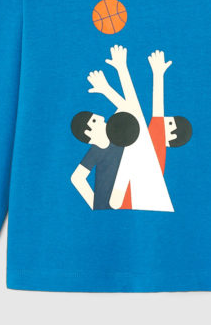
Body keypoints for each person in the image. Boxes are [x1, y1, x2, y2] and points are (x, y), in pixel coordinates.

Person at [87, 45, 174, 212]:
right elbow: (137, 110)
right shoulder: (145, 146)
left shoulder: (138, 147)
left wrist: (120, 71)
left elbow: (134, 110)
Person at [119, 50, 193, 209]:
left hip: (128, 203)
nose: (164, 119)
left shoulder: (156, 144)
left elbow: (149, 109)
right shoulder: (156, 149)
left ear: (171, 135)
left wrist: (158, 74)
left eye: (169, 122)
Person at [70, 110, 139, 210]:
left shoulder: (118, 135)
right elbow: (77, 178)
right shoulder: (96, 150)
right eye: (94, 120)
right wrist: (97, 205)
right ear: (88, 133)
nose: (101, 118)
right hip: (109, 207)